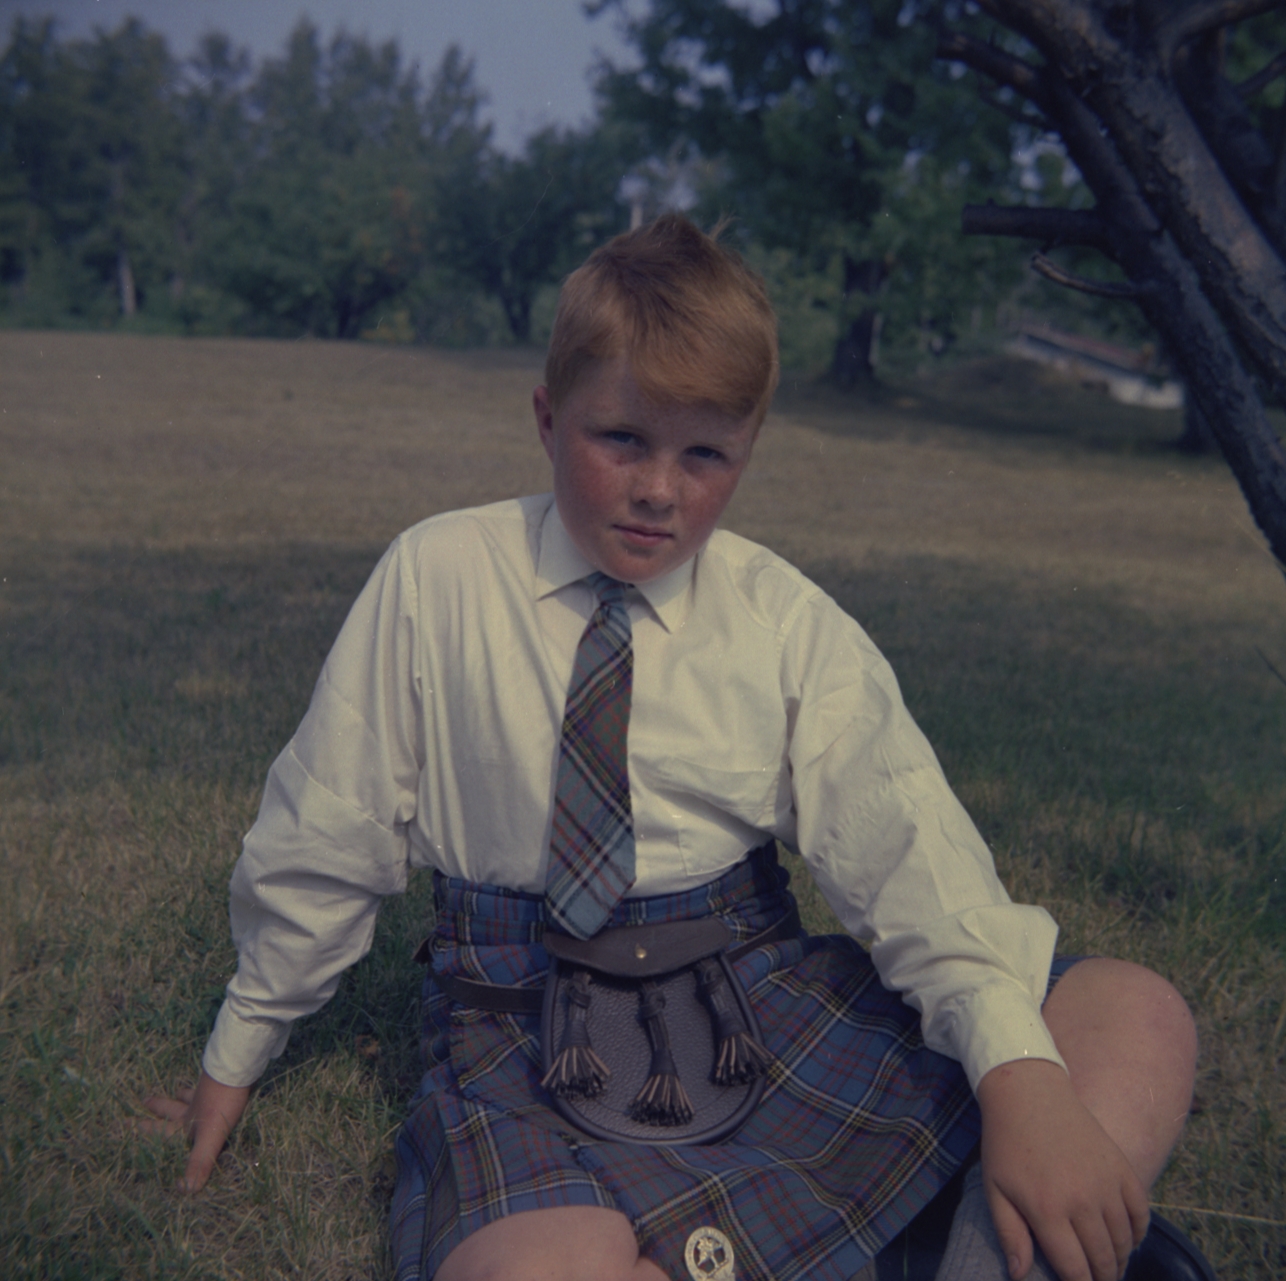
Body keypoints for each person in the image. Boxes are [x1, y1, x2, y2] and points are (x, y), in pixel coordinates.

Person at [142, 215, 1198, 1281]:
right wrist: (238, 1051)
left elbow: (905, 846)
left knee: (1130, 1018)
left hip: (750, 989)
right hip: (520, 1020)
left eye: (704, 455)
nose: (659, 489)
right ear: (548, 417)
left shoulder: (780, 616)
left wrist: (1021, 1081)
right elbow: (330, 826)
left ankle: (994, 1248)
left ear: (747, 452)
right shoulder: (437, 577)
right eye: (622, 441)